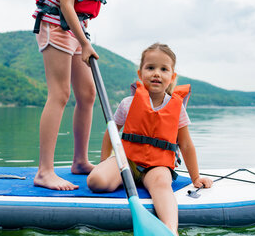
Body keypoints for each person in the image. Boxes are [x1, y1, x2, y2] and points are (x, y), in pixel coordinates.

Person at [87, 43, 213, 235]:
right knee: (96, 181)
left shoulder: (177, 108)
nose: (156, 73)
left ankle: (171, 230)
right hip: (127, 162)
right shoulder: (127, 104)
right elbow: (110, 134)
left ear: (172, 77)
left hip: (157, 166)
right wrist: (106, 162)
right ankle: (119, 177)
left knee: (162, 185)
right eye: (150, 68)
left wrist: (195, 177)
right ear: (140, 73)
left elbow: (186, 145)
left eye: (163, 69)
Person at [32, 0, 109, 191]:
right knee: (60, 94)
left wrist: (84, 39)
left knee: (87, 94)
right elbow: (66, 4)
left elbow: (79, 9)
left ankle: (79, 160)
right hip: (56, 26)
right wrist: (85, 42)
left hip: (76, 30)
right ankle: (45, 171)